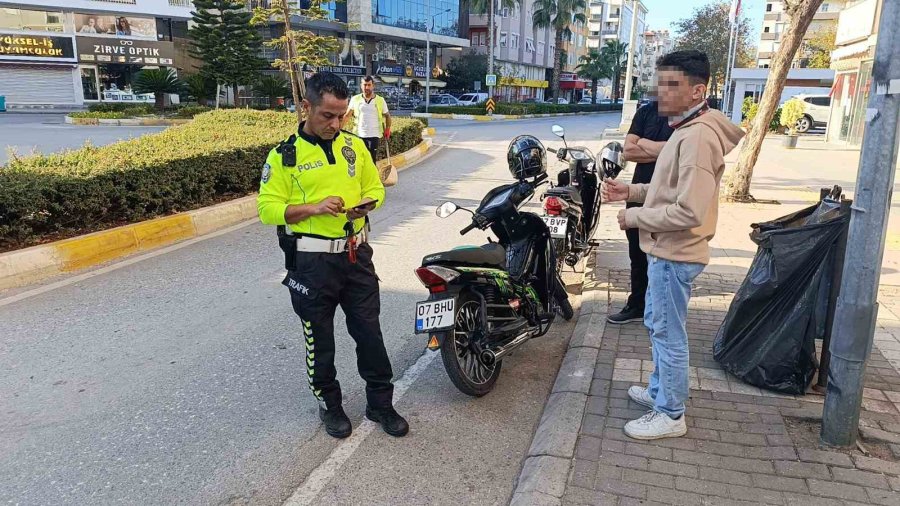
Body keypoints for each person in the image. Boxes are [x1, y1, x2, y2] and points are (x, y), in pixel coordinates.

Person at [257, 71, 409, 439]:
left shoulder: (353, 146)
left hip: (356, 256)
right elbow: (267, 209)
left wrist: (367, 205)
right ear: (306, 107)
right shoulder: (284, 157)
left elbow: (375, 186)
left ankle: (381, 404)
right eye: (328, 115)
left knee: (370, 333)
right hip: (312, 265)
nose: (336, 123)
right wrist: (312, 208)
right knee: (319, 340)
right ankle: (331, 406)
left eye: (342, 115)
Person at [601, 50, 744, 440]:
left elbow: (688, 211)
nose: (661, 93)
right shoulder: (686, 128)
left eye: (672, 85)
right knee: (659, 325)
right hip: (666, 249)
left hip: (675, 250)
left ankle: (670, 413)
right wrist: (630, 190)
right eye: (660, 83)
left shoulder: (697, 137)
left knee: (668, 333)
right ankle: (661, 393)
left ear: (699, 90)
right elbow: (669, 188)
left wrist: (635, 216)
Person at [607, 93, 674, 325]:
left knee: (662, 256)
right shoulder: (646, 111)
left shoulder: (685, 117)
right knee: (637, 253)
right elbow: (628, 151)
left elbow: (679, 155)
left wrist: (644, 144)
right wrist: (664, 150)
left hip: (669, 194)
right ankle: (637, 304)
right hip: (638, 192)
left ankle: (659, 311)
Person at [342, 76, 391, 162]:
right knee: (359, 159)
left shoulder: (380, 100)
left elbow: (387, 116)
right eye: (365, 85)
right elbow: (347, 116)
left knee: (371, 160)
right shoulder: (355, 99)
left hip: (374, 134)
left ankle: (372, 175)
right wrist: (339, 129)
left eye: (369, 85)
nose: (367, 87)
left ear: (373, 86)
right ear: (361, 85)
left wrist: (387, 129)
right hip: (359, 134)